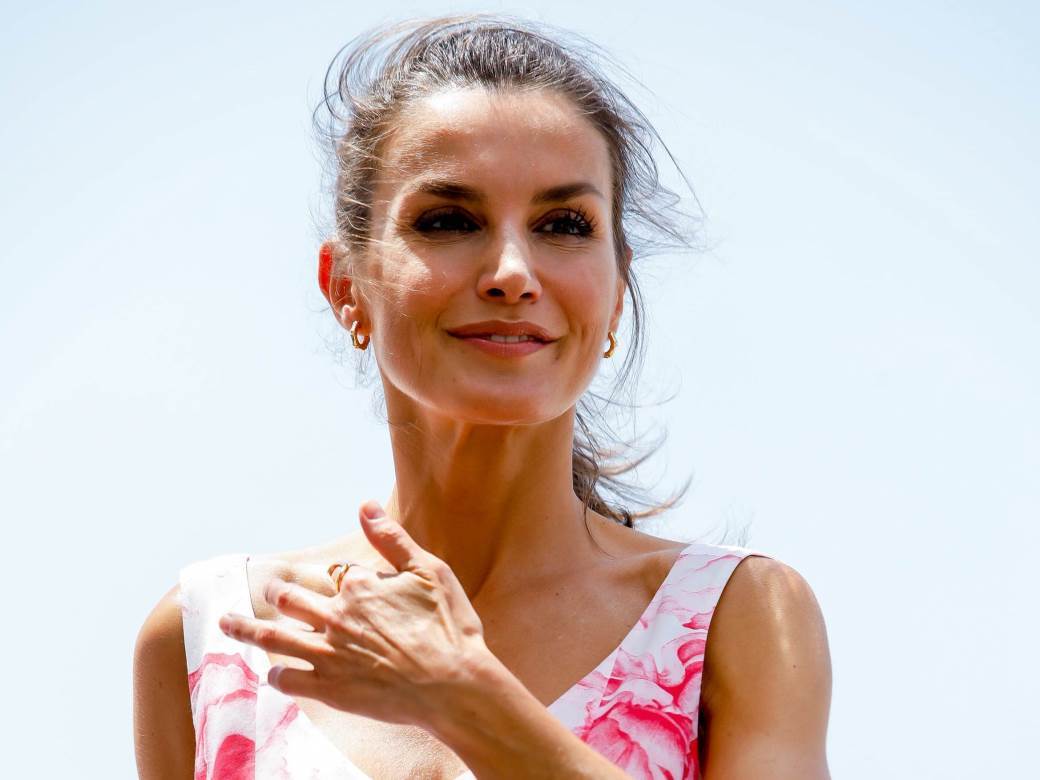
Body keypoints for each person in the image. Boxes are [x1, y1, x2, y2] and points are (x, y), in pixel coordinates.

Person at [133, 15, 831, 780]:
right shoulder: (211, 638)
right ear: (345, 286)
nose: (512, 273)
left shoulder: (732, 617)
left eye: (563, 224)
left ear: (616, 291)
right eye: (448, 221)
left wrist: (469, 700)